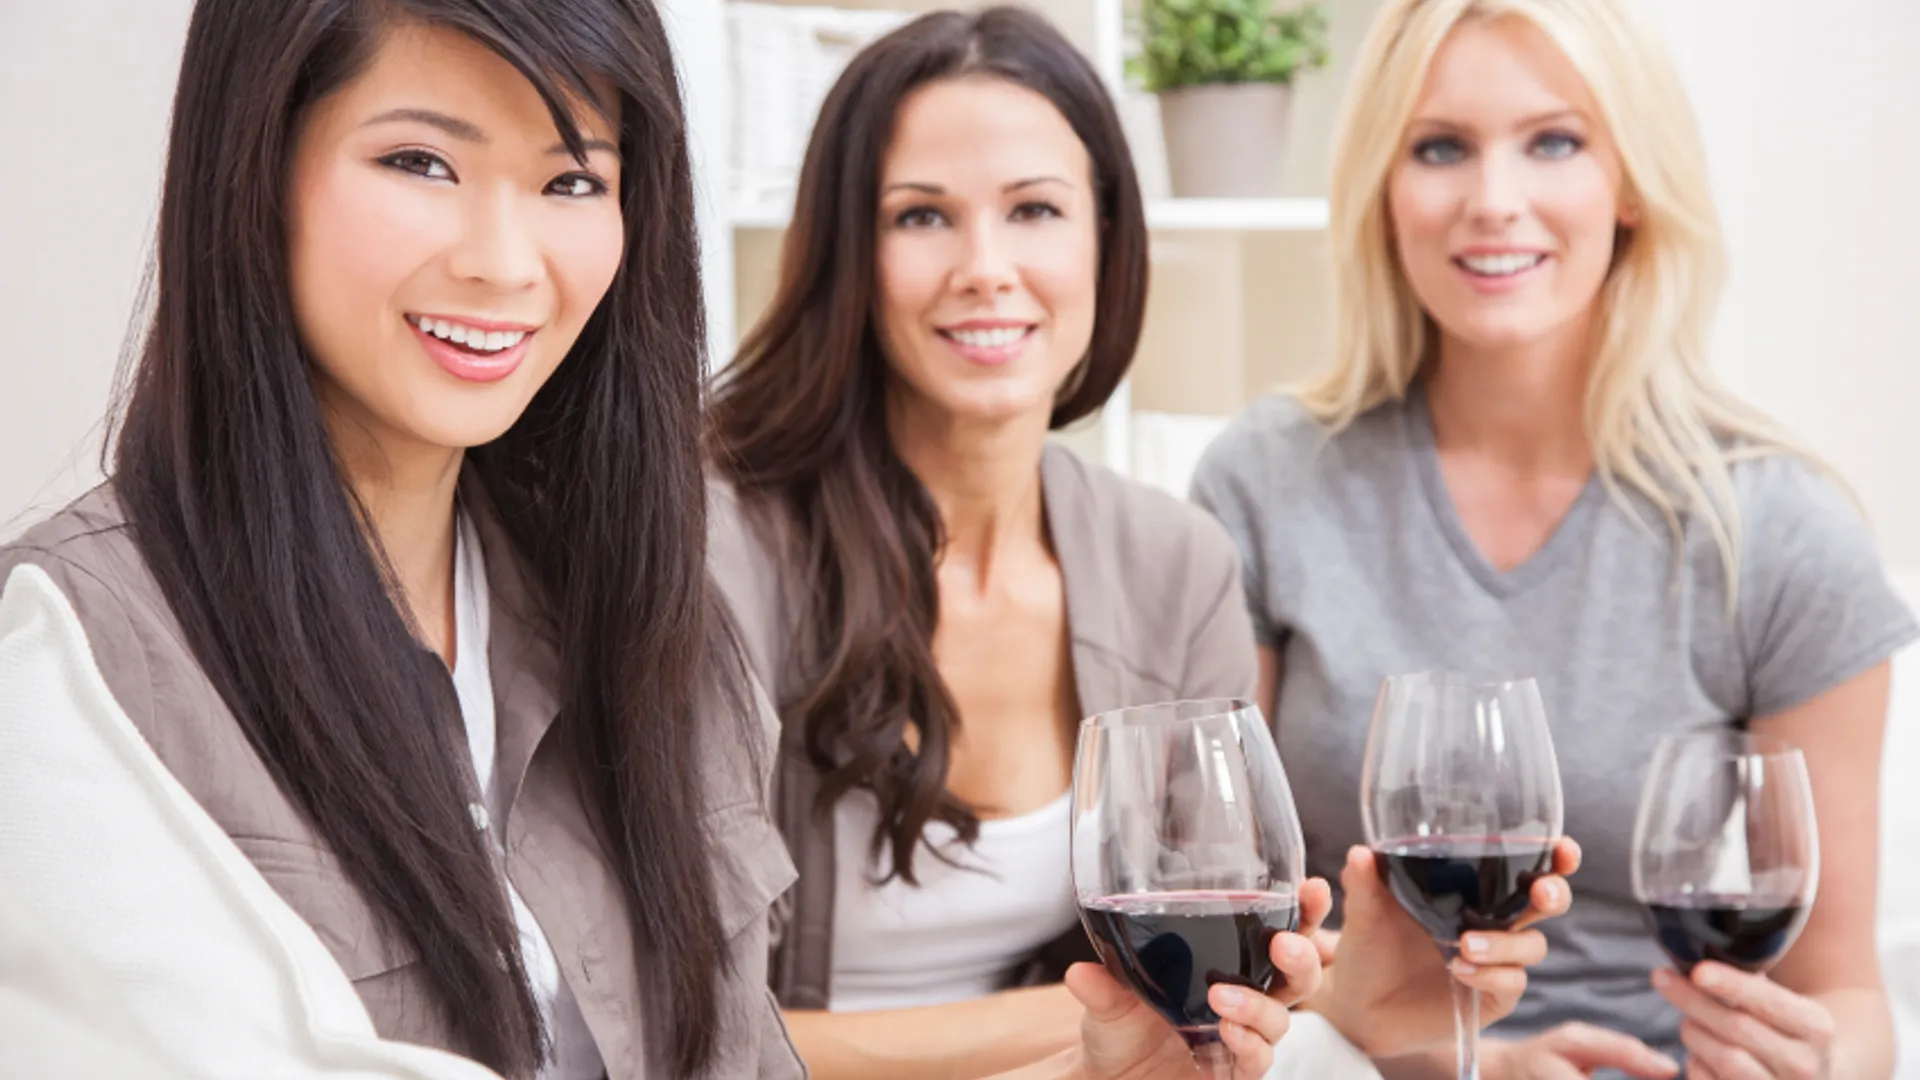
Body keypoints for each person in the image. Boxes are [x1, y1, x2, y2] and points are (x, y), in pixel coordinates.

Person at [0, 1, 1311, 1078]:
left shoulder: (626, 608)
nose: (505, 260)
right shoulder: (71, 661)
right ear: (253, 168)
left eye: (572, 180)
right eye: (420, 163)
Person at [706, 8, 1579, 1079]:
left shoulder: (1172, 567)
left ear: (1107, 239)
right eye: (921, 216)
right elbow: (680, 1033)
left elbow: (1197, 1010)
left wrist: (1365, 1014)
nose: (985, 266)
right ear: (847, 252)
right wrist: (1128, 1027)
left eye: (1035, 209)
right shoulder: (709, 556)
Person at [1189, 0, 1918, 1078]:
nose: (1494, 201)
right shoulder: (1264, 480)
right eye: (1441, 148)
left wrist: (1820, 1065)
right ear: (1383, 191)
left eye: (1555, 141)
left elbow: (1844, 994)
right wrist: (1468, 1067)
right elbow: (1224, 935)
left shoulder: (1780, 530)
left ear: (1631, 184)